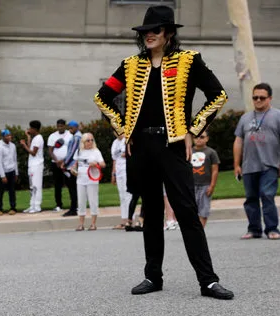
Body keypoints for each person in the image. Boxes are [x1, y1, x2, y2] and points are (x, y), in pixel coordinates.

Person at [94, 5, 234, 299]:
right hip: (142, 147)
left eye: (155, 31)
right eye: (145, 32)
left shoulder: (189, 60)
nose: (149, 36)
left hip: (173, 147)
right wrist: (123, 130)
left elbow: (218, 95)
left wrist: (192, 130)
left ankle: (208, 280)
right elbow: (102, 97)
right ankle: (152, 276)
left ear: (169, 33)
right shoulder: (130, 65)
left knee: (187, 211)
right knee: (152, 213)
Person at [233, 82, 280, 240]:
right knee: (251, 198)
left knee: (267, 195)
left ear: (270, 98)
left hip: (270, 164)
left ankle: (272, 229)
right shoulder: (245, 118)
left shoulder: (277, 115)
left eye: (262, 97)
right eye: (255, 97)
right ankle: (254, 229)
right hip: (249, 166)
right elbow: (238, 141)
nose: (258, 100)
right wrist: (236, 165)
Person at [72, 133, 105, 231]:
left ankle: (93, 224)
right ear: (83, 142)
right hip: (81, 179)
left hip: (92, 179)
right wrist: (73, 169)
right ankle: (81, 224)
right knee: (81, 201)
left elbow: (103, 164)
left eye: (92, 140)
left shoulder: (96, 151)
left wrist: (96, 163)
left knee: (93, 201)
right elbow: (75, 164)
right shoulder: (79, 151)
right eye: (88, 140)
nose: (90, 142)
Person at [191, 130, 220, 228]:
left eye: (202, 137)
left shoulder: (211, 152)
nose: (198, 139)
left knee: (204, 209)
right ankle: (194, 229)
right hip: (191, 185)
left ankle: (201, 229)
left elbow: (215, 170)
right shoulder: (189, 151)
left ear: (207, 138)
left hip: (205, 185)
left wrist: (212, 185)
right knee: (192, 208)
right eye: (196, 137)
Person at [19, 120, 44, 213]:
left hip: (37, 165)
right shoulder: (35, 138)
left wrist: (24, 145)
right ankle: (32, 205)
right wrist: (28, 137)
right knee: (32, 186)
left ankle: (37, 206)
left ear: (34, 129)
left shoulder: (39, 138)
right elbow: (30, 147)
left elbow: (33, 153)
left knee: (36, 186)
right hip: (32, 165)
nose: (29, 129)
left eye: (30, 128)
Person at [47, 119, 69, 211]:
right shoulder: (52, 136)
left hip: (67, 163)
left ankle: (74, 204)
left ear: (65, 126)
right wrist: (57, 161)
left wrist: (64, 160)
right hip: (55, 164)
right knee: (57, 185)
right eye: (58, 126)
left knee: (71, 184)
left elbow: (72, 149)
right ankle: (59, 205)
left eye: (61, 126)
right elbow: (50, 150)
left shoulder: (69, 135)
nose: (60, 128)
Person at [0, 129, 18, 215]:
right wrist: (2, 176)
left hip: (11, 171)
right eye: (7, 136)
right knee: (0, 191)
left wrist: (16, 172)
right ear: (3, 137)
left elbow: (15, 159)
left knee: (12, 191)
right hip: (3, 172)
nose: (9, 137)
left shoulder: (13, 146)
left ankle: (13, 207)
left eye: (10, 135)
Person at [110, 134, 132, 229]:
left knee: (128, 195)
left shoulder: (127, 140)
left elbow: (131, 154)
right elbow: (114, 159)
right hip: (118, 171)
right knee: (122, 195)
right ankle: (123, 220)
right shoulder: (115, 143)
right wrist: (113, 173)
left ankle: (130, 219)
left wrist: (124, 154)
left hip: (127, 169)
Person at [61, 121, 81, 217]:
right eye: (69, 128)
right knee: (72, 188)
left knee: (72, 188)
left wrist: (65, 163)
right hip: (71, 165)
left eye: (71, 128)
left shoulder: (77, 138)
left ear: (76, 127)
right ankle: (74, 207)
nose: (70, 130)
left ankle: (73, 209)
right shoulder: (75, 137)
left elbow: (72, 152)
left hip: (72, 166)